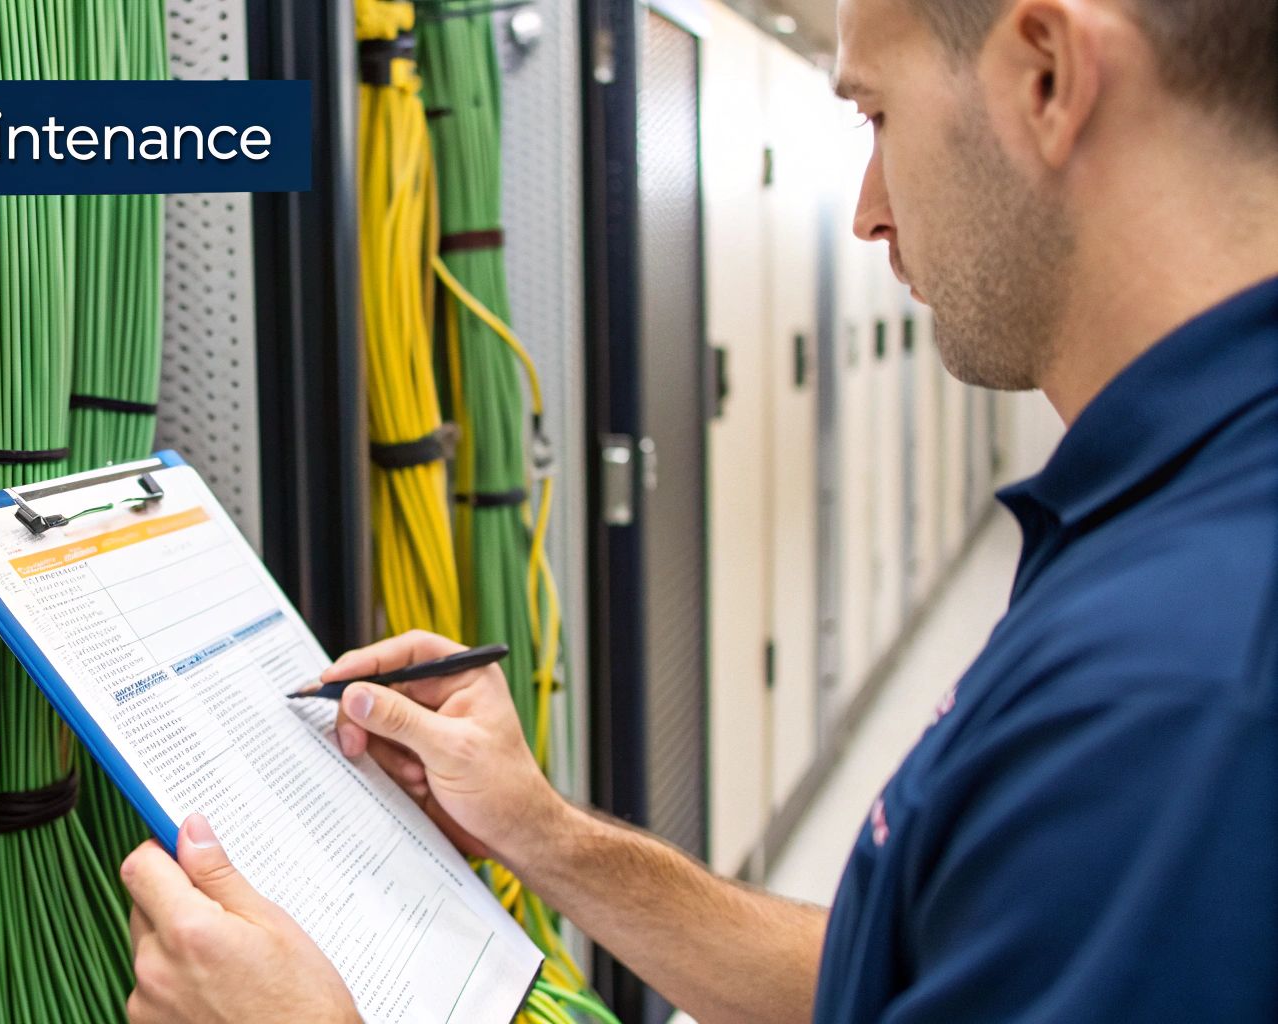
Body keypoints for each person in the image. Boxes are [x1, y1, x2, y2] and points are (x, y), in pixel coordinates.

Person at [117, 0, 1278, 1018]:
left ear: (1045, 76)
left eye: (875, 116)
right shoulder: (1171, 520)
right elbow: (905, 970)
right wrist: (538, 830)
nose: (870, 212)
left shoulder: (1178, 686)